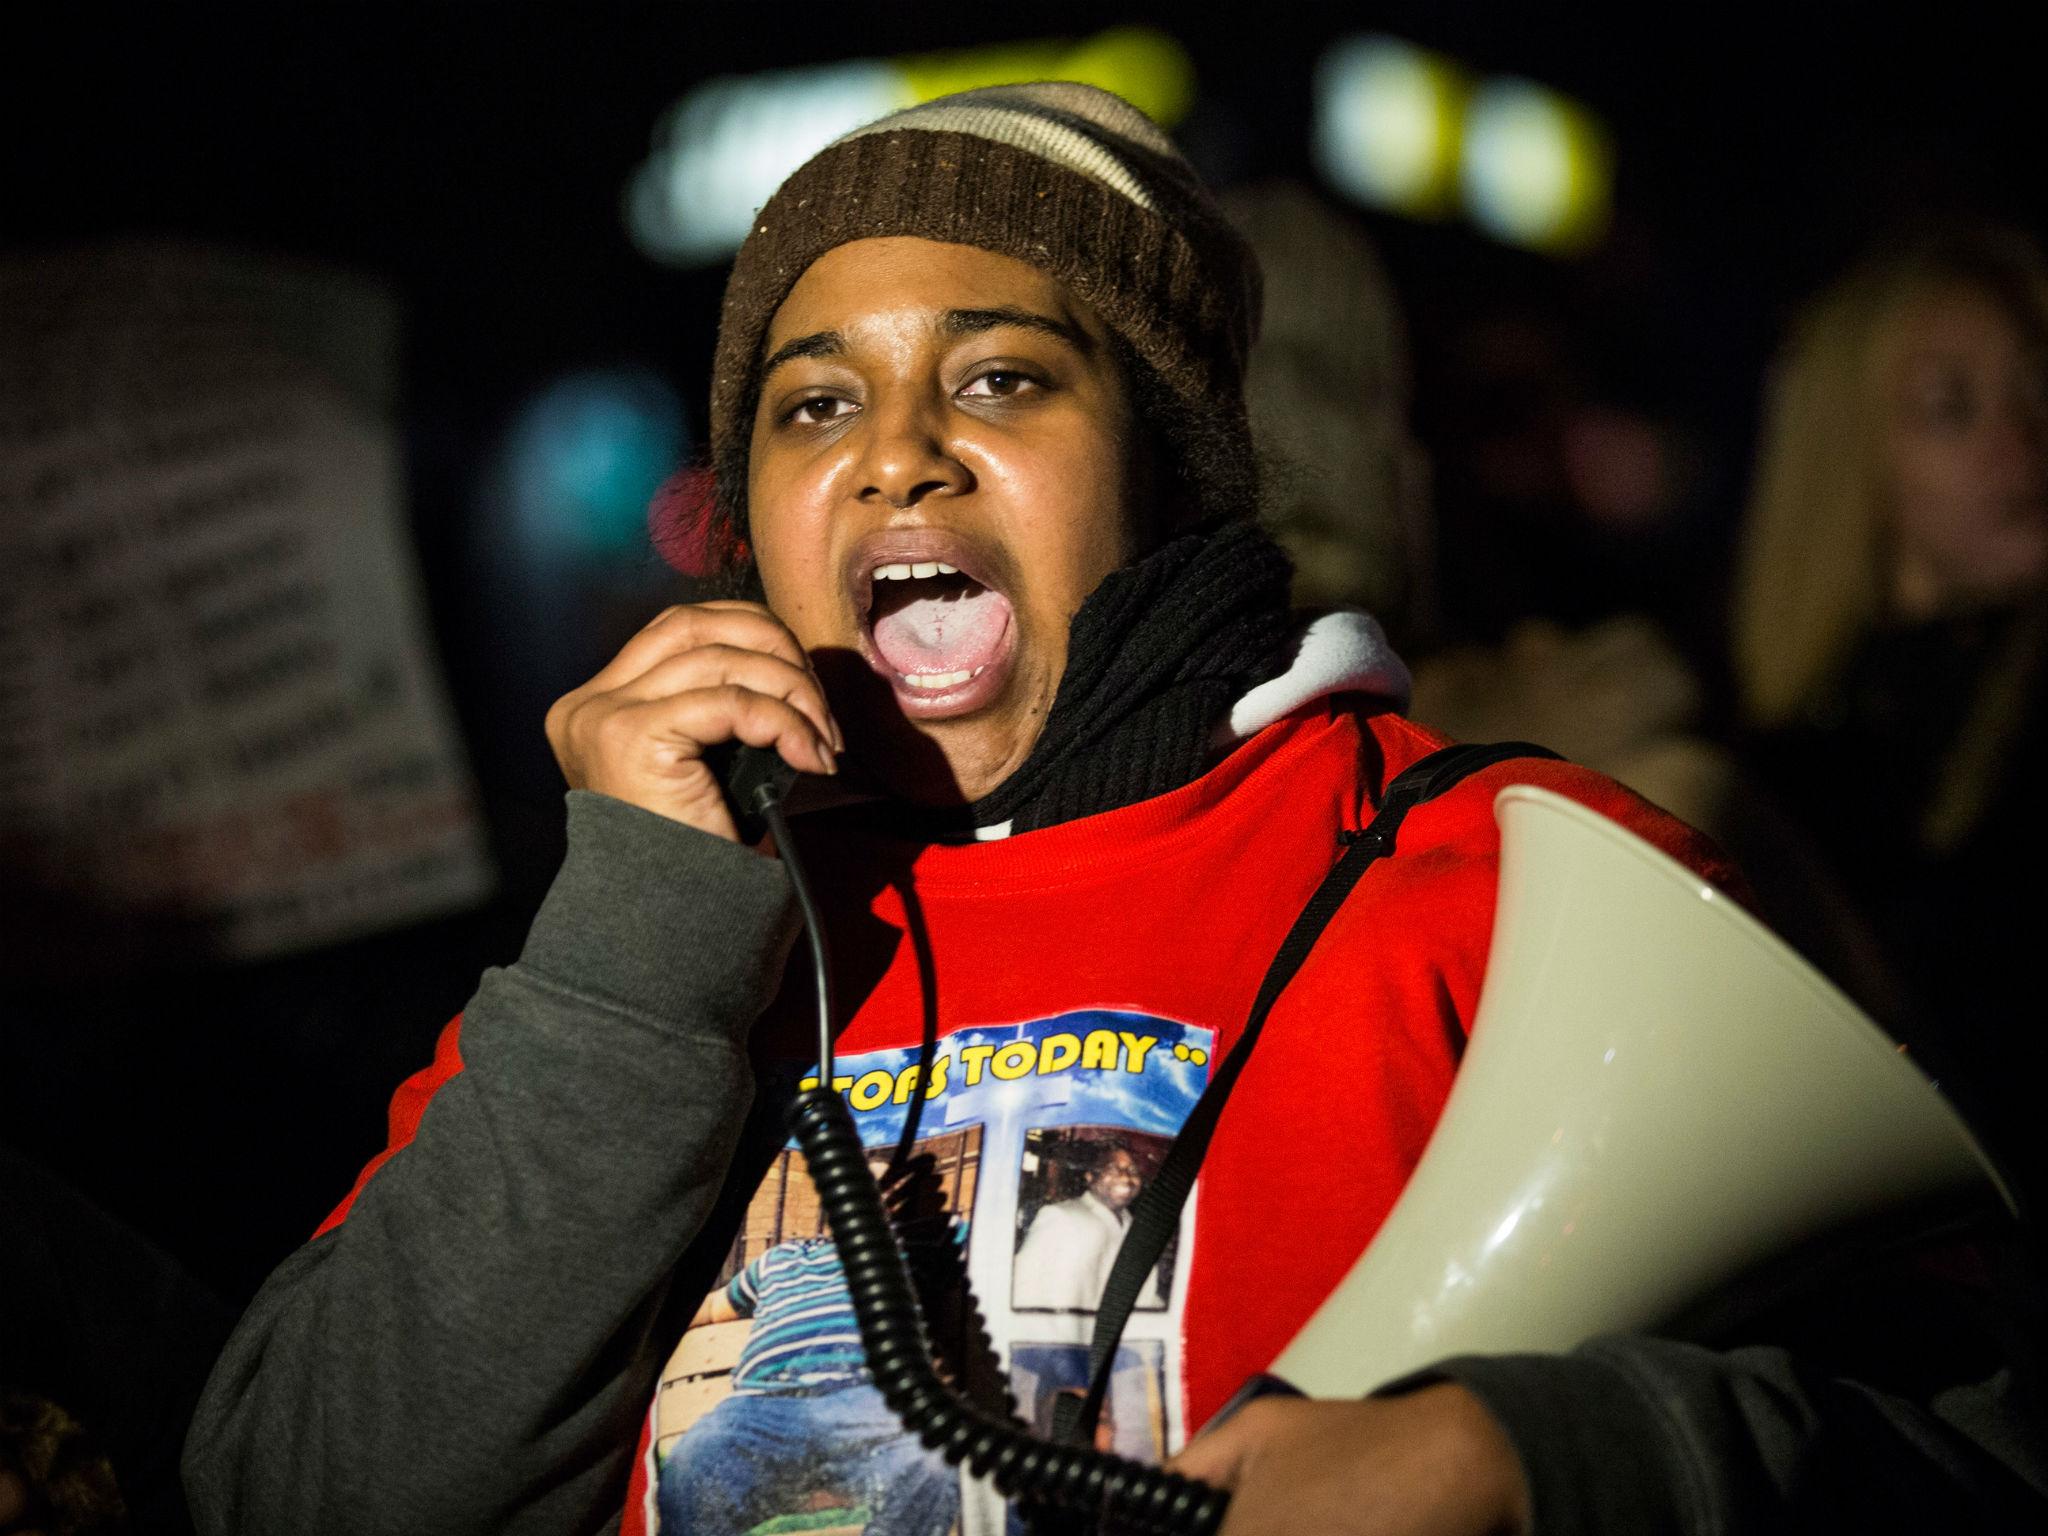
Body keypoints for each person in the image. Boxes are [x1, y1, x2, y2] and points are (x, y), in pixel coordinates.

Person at [183, 85, 2048, 1536]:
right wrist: (633, 947)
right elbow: (293, 1493)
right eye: (812, 407)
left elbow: (1983, 1449)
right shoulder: (664, 938)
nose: (896, 454)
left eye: (1000, 379)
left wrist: (1537, 1459)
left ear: (1169, 471)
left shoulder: (1493, 879)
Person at [1730, 229, 2048, 1206]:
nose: (2019, 440)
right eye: (1950, 408)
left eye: (2036, 391)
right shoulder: (1780, 739)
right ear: (1849, 455)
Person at [1013, 1143, 1164, 1311]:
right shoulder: (1060, 1216)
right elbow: (1021, 1289)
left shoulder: (1138, 1229)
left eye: (1133, 1171)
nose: (1125, 1176)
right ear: (1090, 1176)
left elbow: (1146, 1296)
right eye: (1113, 1169)